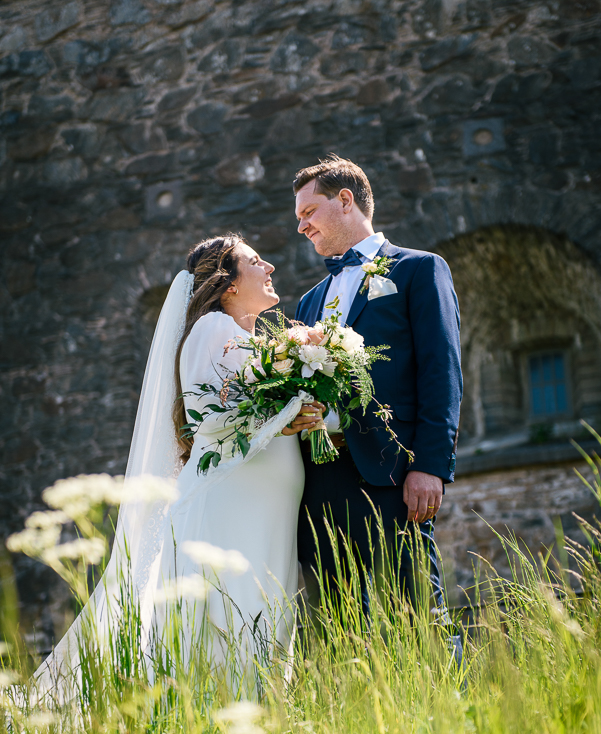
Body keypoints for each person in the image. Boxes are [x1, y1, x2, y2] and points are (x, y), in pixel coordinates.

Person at [34, 234, 321, 697]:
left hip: (264, 509)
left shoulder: (250, 341)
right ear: (227, 284)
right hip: (229, 508)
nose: (269, 266)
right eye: (254, 260)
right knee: (235, 623)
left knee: (267, 622)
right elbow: (209, 421)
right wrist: (288, 417)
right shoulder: (213, 329)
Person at [293, 155, 463, 658]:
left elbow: (441, 370)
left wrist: (430, 466)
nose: (301, 226)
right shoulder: (308, 303)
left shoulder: (419, 270)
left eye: (309, 211)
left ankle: (447, 719)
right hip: (321, 483)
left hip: (393, 477)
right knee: (335, 629)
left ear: (345, 200)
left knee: (416, 617)